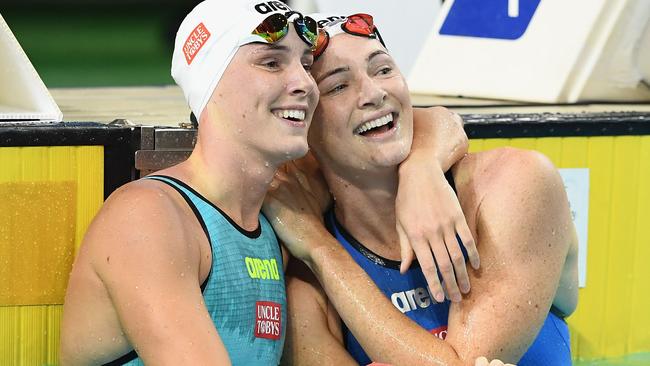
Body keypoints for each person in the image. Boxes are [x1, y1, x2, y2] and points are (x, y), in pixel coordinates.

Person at [60, 1, 478, 365]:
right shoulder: (151, 218)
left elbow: (437, 120)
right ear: (210, 85)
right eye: (272, 62)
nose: (303, 84)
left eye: (305, 65)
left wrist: (423, 167)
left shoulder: (280, 212)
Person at [263, 13, 579, 366]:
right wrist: (319, 250)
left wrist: (422, 167)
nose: (375, 93)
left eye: (383, 69)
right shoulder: (303, 271)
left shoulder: (512, 184)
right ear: (304, 124)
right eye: (338, 86)